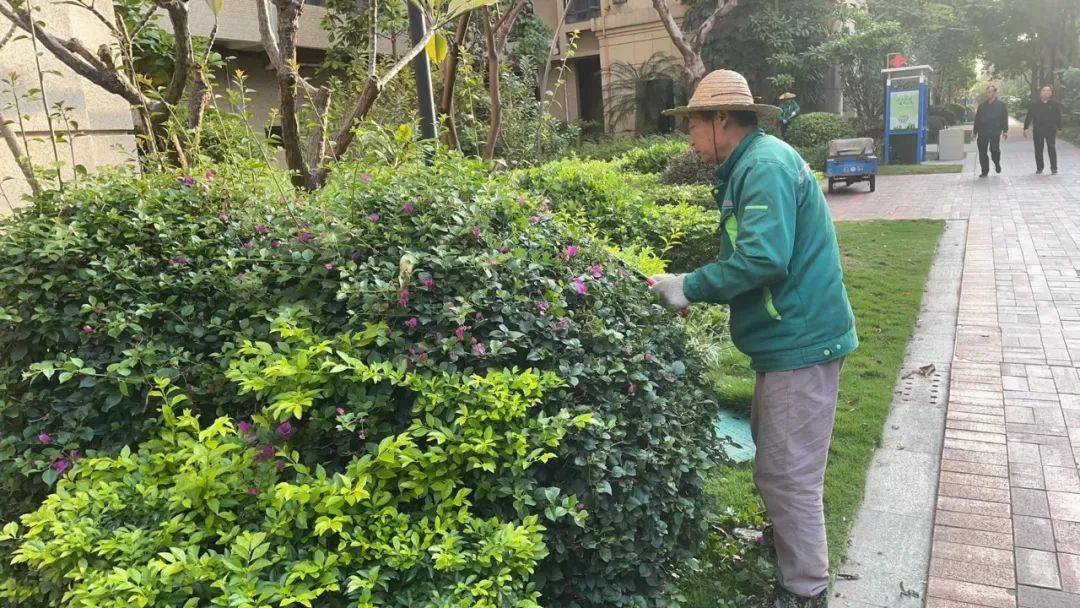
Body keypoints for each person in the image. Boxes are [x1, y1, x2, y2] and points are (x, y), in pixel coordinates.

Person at [651, 70, 857, 608]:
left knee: (789, 477)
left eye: (692, 125)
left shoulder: (763, 166)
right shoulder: (752, 164)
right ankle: (785, 552)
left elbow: (764, 258)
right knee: (778, 462)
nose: (689, 139)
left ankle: (804, 591)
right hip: (786, 339)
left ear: (721, 120)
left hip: (800, 342)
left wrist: (687, 286)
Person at [1024, 86, 1063, 174]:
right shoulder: (1034, 105)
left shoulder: (1055, 104)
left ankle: (1054, 168)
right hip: (1038, 129)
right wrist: (1025, 128)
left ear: (1051, 93)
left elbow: (1058, 117)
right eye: (1044, 90)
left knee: (1051, 147)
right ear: (1040, 93)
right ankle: (1039, 168)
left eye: (1048, 90)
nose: (1046, 92)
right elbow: (1029, 116)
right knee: (1038, 149)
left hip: (1050, 129)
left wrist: (1059, 128)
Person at [972, 85, 1009, 177]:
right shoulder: (982, 106)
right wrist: (975, 132)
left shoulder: (1001, 105)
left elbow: (1004, 118)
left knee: (994, 150)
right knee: (982, 152)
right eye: (988, 92)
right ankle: (984, 171)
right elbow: (977, 119)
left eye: (991, 91)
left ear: (995, 93)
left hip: (995, 131)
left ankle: (996, 163)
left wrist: (1005, 130)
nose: (989, 93)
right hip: (982, 131)